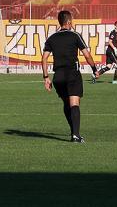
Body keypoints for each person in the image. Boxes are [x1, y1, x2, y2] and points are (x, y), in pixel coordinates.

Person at [41, 10, 97, 143]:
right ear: (69, 22)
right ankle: (76, 135)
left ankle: (74, 133)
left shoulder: (52, 38)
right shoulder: (75, 35)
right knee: (75, 104)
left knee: (67, 103)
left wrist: (46, 78)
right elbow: (87, 55)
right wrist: (94, 69)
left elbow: (44, 59)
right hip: (72, 74)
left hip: (58, 76)